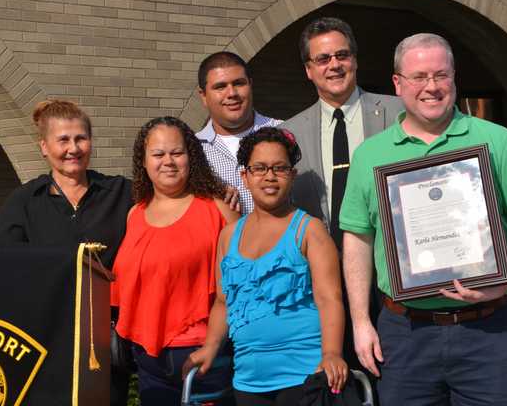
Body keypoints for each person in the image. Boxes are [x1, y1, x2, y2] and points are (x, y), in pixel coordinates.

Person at [340, 33, 507, 405]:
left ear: (454, 78)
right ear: (398, 84)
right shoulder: (370, 155)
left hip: (489, 330)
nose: (431, 87)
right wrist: (360, 321)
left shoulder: (496, 140)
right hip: (405, 334)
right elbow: (358, 238)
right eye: (419, 77)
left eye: (441, 75)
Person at [185, 127, 348, 406]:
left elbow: (329, 298)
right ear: (244, 177)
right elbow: (224, 303)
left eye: (279, 168)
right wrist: (211, 345)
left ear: (292, 176)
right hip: (248, 380)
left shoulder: (308, 230)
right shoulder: (228, 235)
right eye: (259, 168)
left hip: (305, 376)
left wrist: (332, 353)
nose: (269, 176)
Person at [0, 99, 133, 405]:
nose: (74, 148)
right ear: (44, 147)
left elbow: (171, 194)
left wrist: (218, 191)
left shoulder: (122, 193)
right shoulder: (24, 202)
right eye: (63, 140)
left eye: (81, 138)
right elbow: (3, 267)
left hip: (105, 343)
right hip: (46, 338)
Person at [110, 116, 239, 405]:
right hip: (147, 360)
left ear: (191, 157)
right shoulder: (135, 215)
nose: (168, 161)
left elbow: (240, 287)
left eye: (177, 153)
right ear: (143, 161)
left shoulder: (218, 209)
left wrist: (213, 345)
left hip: (205, 355)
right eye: (158, 154)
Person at [282, 17, 403, 247]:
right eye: (323, 59)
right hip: (323, 265)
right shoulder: (289, 133)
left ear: (354, 61)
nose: (334, 65)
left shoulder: (399, 113)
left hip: (390, 258)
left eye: (342, 55)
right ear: (308, 70)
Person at [196, 51, 281, 214]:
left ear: (251, 85)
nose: (232, 93)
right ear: (204, 96)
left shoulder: (285, 133)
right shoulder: (192, 150)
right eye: (220, 87)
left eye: (239, 83)